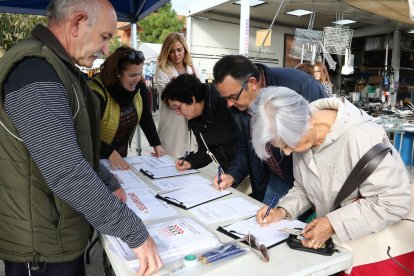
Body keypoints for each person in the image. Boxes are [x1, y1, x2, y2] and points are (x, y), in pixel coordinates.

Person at [0, 0, 161, 275]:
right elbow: (66, 171)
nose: (106, 49)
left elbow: (74, 148)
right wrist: (134, 232)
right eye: (105, 36)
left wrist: (107, 181)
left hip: (57, 232)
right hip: (40, 247)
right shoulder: (35, 72)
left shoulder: (60, 68)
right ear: (76, 23)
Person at [252, 86, 412, 273]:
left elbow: (395, 201)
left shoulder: (360, 137)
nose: (287, 152)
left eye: (287, 145)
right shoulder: (300, 134)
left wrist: (332, 223)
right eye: (281, 147)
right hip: (342, 247)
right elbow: (304, 187)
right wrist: (282, 211)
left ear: (308, 122)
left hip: (376, 251)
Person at [212, 55, 327, 205]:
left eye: (233, 97)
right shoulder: (238, 103)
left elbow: (323, 138)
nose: (229, 104)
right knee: (266, 221)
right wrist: (232, 175)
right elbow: (246, 148)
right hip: (277, 177)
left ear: (252, 83)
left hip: (308, 180)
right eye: (225, 98)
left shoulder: (299, 85)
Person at [88, 46, 165, 171]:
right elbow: (88, 132)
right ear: (117, 73)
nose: (138, 79)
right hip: (96, 156)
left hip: (120, 154)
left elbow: (145, 116)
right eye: (132, 75)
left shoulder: (139, 87)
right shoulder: (97, 92)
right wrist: (109, 153)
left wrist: (156, 143)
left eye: (140, 74)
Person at [161, 74, 238, 171]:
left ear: (192, 99)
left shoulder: (227, 103)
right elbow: (207, 151)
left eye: (178, 107)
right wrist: (190, 162)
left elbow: (247, 147)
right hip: (231, 173)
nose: (178, 113)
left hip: (249, 173)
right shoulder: (196, 118)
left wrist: (235, 174)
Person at [155, 32, 201, 158]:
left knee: (191, 163)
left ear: (185, 49)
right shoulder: (162, 69)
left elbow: (201, 93)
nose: (176, 55)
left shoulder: (193, 67)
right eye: (171, 51)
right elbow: (173, 99)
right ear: (166, 52)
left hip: (193, 126)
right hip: (173, 126)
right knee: (171, 163)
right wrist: (191, 93)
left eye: (179, 50)